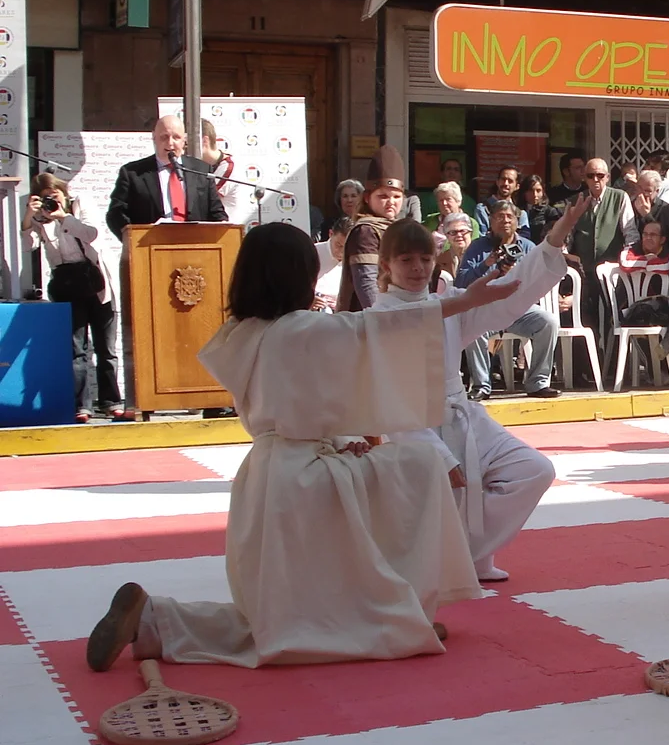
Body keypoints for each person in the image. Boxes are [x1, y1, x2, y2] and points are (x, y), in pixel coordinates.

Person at [83, 222, 523, 671]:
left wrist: (341, 438)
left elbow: (302, 398)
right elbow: (383, 325)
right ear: (300, 276)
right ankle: (403, 614)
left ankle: (156, 619)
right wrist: (468, 300)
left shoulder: (240, 334)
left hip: (264, 477)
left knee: (278, 623)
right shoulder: (305, 329)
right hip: (307, 479)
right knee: (422, 464)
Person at [375, 201, 586, 582]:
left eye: (425, 259)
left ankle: (468, 553)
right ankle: (454, 561)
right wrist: (439, 454)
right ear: (386, 266)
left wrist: (553, 242)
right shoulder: (378, 319)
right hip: (410, 426)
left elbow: (508, 296)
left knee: (533, 471)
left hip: (461, 413)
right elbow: (390, 399)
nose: (418, 268)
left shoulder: (446, 304)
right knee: (442, 494)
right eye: (406, 260)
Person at [24, 173, 129, 422]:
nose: (52, 202)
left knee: (106, 348)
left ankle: (111, 401)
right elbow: (27, 245)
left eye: (55, 196)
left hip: (95, 283)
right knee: (76, 349)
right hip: (66, 286)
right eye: (46, 198)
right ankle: (82, 406)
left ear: (64, 192)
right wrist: (30, 217)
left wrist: (63, 217)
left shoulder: (80, 204)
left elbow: (91, 234)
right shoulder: (40, 219)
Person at [456, 201, 561, 400]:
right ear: (490, 221)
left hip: (519, 308)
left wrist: (517, 276)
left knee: (548, 322)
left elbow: (539, 280)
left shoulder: (528, 247)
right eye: (499, 216)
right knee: (472, 326)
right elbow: (461, 281)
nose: (505, 221)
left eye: (509, 217)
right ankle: (481, 385)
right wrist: (488, 265)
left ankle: (538, 383)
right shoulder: (478, 246)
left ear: (516, 222)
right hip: (487, 307)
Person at [106, 115, 229, 236]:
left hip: (195, 249)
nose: (170, 143)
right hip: (150, 249)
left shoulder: (201, 170)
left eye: (176, 137)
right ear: (154, 138)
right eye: (164, 137)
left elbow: (217, 213)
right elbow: (116, 214)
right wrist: (132, 240)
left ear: (184, 140)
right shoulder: (133, 173)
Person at [568, 158, 639, 337]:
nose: (596, 180)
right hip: (584, 271)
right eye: (591, 176)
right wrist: (567, 256)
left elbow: (630, 233)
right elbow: (567, 234)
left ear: (607, 177)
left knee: (612, 318)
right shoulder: (578, 200)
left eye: (600, 175)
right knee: (586, 319)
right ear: (585, 178)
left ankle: (613, 363)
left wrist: (626, 260)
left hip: (611, 271)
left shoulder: (619, 197)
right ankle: (588, 364)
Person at [338, 146, 408, 312]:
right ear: (368, 198)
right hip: (373, 321)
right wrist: (384, 320)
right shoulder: (366, 231)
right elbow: (367, 283)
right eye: (383, 196)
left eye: (397, 196)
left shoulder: (401, 229)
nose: (391, 201)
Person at [312, 217, 351, 312]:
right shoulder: (312, 252)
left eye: (346, 247)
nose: (342, 252)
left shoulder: (355, 257)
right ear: (330, 234)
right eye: (339, 245)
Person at [483, 166, 527, 239]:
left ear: (517, 186)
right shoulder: (483, 208)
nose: (506, 183)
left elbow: (524, 240)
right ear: (497, 182)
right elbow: (482, 236)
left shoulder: (521, 214)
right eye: (503, 179)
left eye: (510, 181)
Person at [519, 174, 562, 243]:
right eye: (530, 190)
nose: (535, 195)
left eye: (538, 190)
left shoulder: (549, 211)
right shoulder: (517, 210)